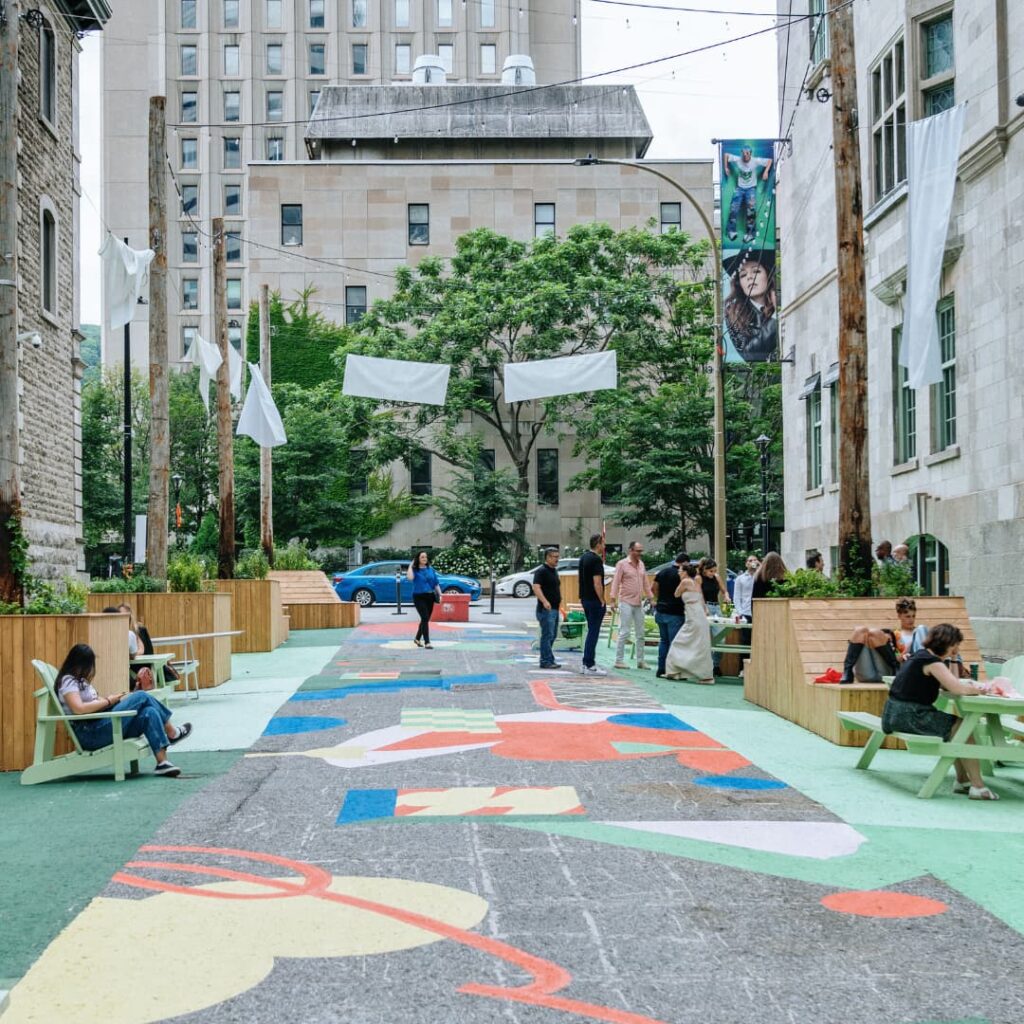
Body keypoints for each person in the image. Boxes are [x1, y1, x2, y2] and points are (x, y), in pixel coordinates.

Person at [882, 623, 998, 800]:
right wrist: (981, 689)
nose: (957, 648)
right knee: (962, 728)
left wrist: (952, 660)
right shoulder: (932, 662)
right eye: (956, 644)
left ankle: (963, 780)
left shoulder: (922, 656)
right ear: (949, 643)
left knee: (957, 728)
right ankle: (978, 786)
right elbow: (957, 688)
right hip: (910, 715)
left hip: (893, 714)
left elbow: (948, 683)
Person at [54, 643, 191, 778]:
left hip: (99, 724)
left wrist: (111, 700)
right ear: (79, 663)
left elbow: (93, 703)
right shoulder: (68, 681)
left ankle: (163, 763)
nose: (89, 669)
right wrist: (108, 701)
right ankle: (172, 733)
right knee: (142, 696)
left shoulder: (80, 681)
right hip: (90, 733)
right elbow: (78, 709)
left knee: (149, 712)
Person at [838, 597, 930, 684]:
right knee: (860, 630)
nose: (911, 620)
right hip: (870, 672)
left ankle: (897, 668)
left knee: (875, 632)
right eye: (907, 616)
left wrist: (907, 654)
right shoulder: (893, 634)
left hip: (895, 672)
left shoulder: (918, 633)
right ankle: (847, 671)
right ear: (899, 616)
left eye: (913, 616)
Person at [723, 250, 777, 361]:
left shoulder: (785, 299)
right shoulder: (733, 314)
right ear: (739, 283)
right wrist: (775, 317)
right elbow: (750, 354)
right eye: (743, 275)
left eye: (756, 271)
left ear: (768, 275)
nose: (749, 277)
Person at [664, 562, 714, 684]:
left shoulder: (685, 581)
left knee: (679, 642)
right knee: (698, 645)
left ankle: (675, 670)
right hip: (697, 615)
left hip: (694, 616)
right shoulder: (696, 582)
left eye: (680, 570)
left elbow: (676, 594)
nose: (678, 572)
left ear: (685, 572)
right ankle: (682, 671)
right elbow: (701, 599)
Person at [611, 540, 653, 670]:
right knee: (624, 631)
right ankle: (619, 660)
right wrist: (612, 599)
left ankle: (641, 661)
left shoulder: (641, 564)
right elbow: (616, 582)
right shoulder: (622, 564)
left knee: (640, 633)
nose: (640, 553)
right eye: (638, 551)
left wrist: (651, 597)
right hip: (626, 601)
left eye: (641, 551)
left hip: (638, 602)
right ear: (631, 550)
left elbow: (646, 582)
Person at [723, 145, 772, 243]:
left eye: (747, 154)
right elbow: (726, 155)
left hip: (751, 189)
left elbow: (769, 160)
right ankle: (731, 231)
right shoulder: (738, 159)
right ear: (742, 153)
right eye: (743, 154)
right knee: (733, 209)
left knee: (751, 211)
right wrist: (726, 167)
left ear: (750, 154)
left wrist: (766, 172)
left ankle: (750, 234)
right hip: (739, 188)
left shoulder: (755, 161)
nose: (745, 156)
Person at [652, 553, 689, 678]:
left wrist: (659, 599)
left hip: (661, 609)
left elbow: (654, 588)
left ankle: (661, 668)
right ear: (684, 563)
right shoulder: (682, 575)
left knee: (663, 641)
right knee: (674, 642)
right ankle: (672, 670)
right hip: (675, 612)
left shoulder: (662, 572)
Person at [578, 533, 608, 676]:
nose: (604, 546)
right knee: (593, 632)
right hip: (595, 601)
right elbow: (597, 582)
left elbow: (582, 580)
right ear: (598, 544)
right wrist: (602, 600)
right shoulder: (596, 560)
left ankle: (586, 663)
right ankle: (589, 663)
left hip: (585, 598)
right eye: (603, 543)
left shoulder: (583, 557)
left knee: (591, 630)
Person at [532, 547, 564, 670]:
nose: (557, 559)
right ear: (548, 557)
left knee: (553, 634)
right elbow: (536, 587)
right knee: (547, 635)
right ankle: (545, 660)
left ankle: (548, 658)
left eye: (557, 556)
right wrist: (544, 601)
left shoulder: (554, 571)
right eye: (555, 557)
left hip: (555, 608)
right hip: (546, 609)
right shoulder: (541, 571)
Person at [697, 557, 728, 675]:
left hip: (716, 608)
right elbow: (699, 595)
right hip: (705, 607)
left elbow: (724, 590)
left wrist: (726, 596)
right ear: (705, 570)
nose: (713, 573)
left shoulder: (716, 577)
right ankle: (705, 665)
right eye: (711, 571)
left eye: (715, 571)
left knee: (721, 639)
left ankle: (715, 664)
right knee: (704, 639)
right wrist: (704, 608)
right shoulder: (699, 578)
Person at [406, 550, 442, 649]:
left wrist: (441, 594)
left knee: (425, 619)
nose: (424, 559)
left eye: (425, 557)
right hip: (419, 596)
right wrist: (410, 565)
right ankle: (427, 642)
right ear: (418, 559)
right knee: (425, 617)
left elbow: (435, 583)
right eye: (422, 557)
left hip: (430, 597)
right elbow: (410, 578)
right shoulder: (415, 570)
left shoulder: (430, 569)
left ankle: (417, 638)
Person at [732, 555, 759, 622]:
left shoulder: (761, 577)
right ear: (746, 564)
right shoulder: (740, 579)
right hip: (746, 612)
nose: (753, 562)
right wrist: (740, 612)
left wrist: (760, 568)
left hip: (759, 612)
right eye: (750, 560)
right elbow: (736, 597)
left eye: (755, 560)